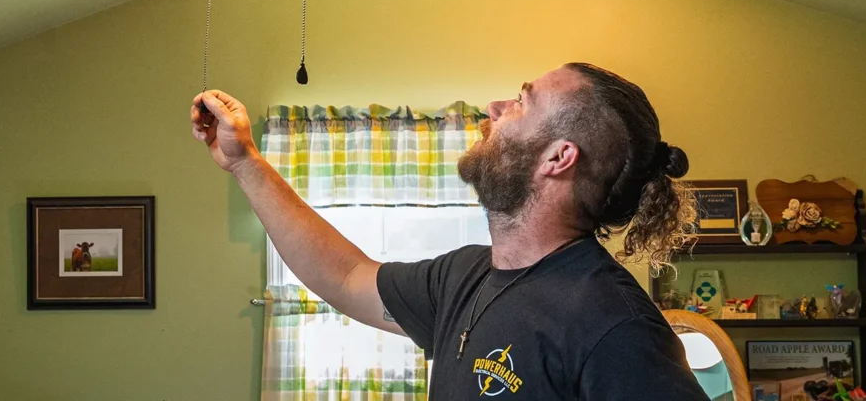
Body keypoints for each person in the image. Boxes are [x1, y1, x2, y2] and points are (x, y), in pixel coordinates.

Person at [191, 62, 709, 400]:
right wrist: (246, 163)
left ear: (558, 157)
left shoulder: (614, 326)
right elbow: (346, 276)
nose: (495, 109)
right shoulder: (465, 275)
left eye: (522, 102)